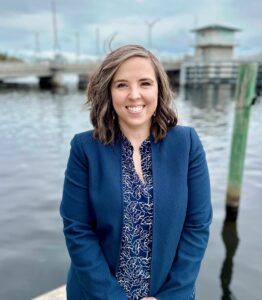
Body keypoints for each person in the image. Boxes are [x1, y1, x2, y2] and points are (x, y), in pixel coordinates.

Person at [60, 44, 212, 300]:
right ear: (108, 91)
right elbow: (78, 229)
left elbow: (197, 226)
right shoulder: (84, 149)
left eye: (145, 83)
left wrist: (171, 297)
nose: (134, 95)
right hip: (97, 295)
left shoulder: (186, 144)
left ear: (159, 89)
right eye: (121, 85)